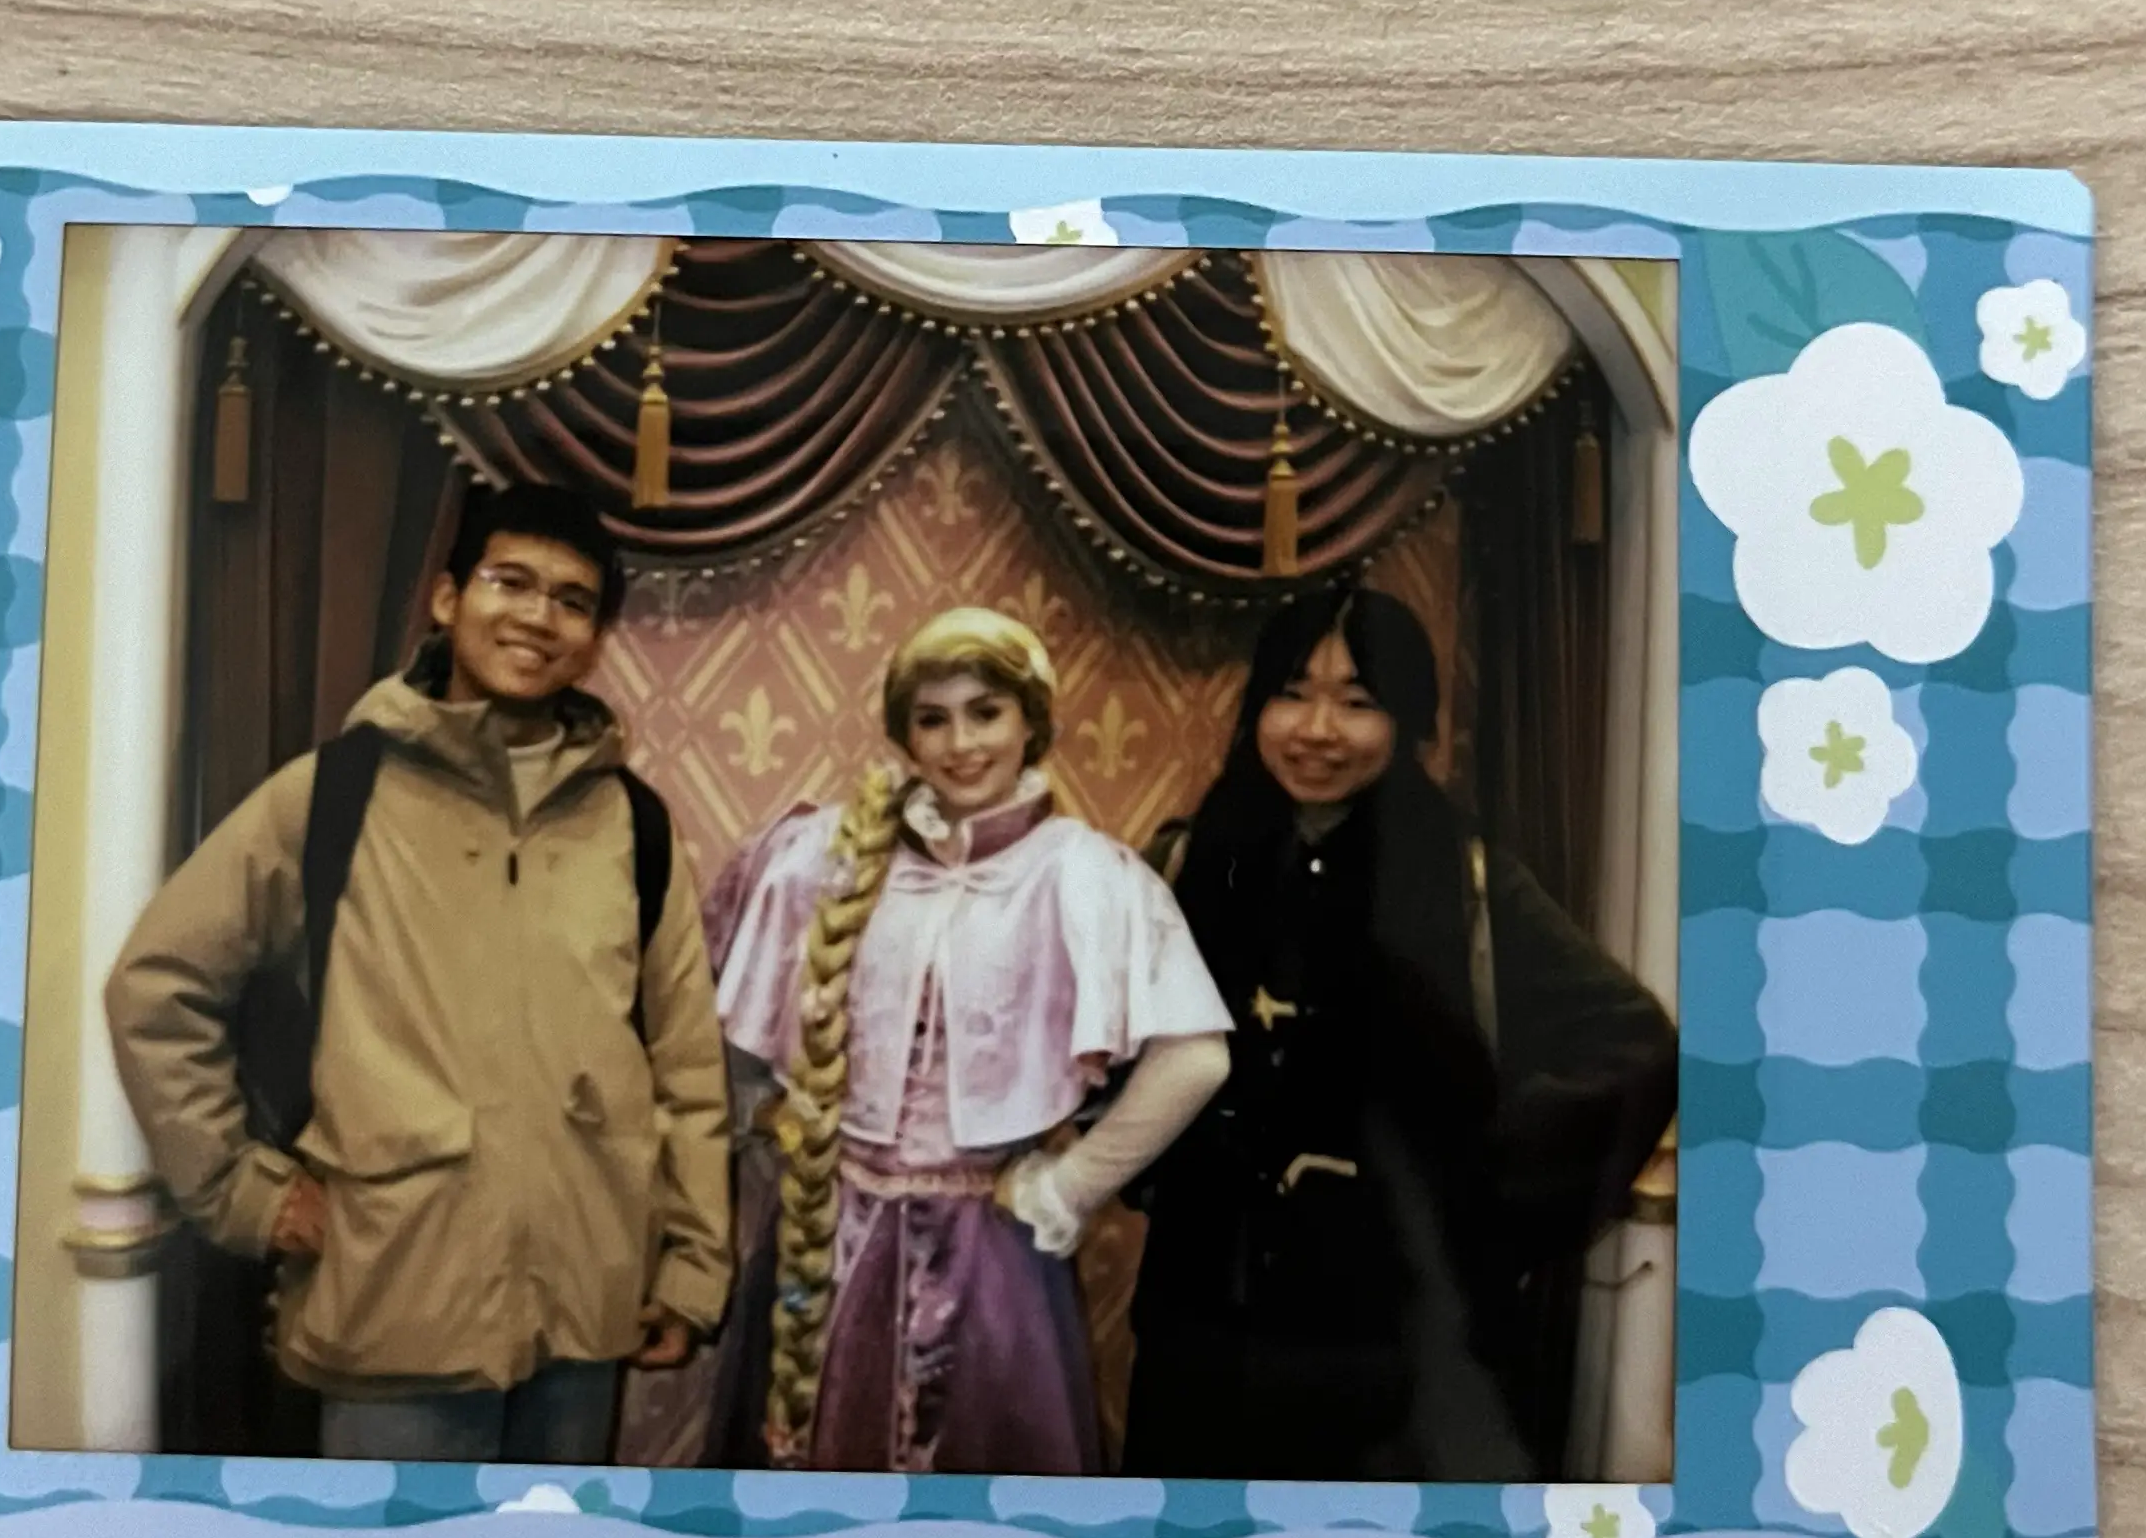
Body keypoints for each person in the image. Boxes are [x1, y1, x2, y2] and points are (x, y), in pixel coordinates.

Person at [104, 481, 730, 1464]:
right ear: (447, 598)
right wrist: (245, 1193)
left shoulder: (632, 823)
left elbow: (686, 1064)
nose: (539, 616)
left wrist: (692, 1265)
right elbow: (158, 985)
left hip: (585, 1316)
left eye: (572, 600)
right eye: (510, 581)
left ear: (593, 638)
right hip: (394, 1311)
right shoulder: (335, 793)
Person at [1122, 589, 1676, 1483]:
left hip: (1395, 1344)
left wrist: (1481, 1195)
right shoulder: (1187, 861)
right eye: (1292, 694)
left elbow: (1635, 1041)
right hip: (1209, 1319)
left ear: (1409, 720)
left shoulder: (1469, 880)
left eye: (1358, 702)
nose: (1318, 730)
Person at [701, 608, 1231, 1474]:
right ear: (905, 733)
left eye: (986, 712)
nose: (961, 744)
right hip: (823, 1243)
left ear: (1031, 721)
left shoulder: (1083, 874)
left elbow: (1196, 1056)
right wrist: (770, 1124)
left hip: (988, 1261)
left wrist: (1071, 1188)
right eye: (933, 718)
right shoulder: (824, 854)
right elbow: (726, 1014)